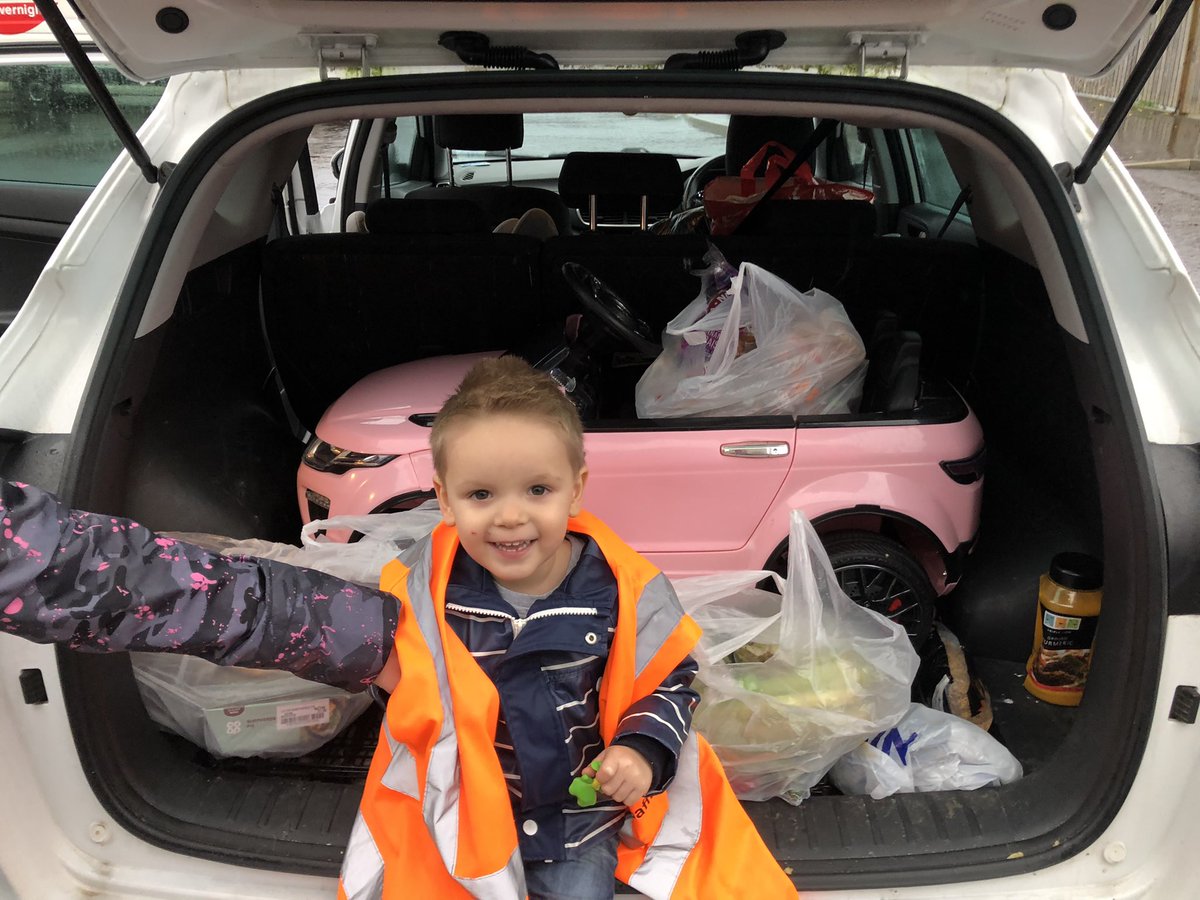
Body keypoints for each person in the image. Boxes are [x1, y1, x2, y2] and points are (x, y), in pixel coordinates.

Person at [0, 356, 795, 900]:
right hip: (471, 814)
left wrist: (642, 752)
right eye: (480, 495)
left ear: (576, 489)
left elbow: (669, 682)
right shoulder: (422, 595)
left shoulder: (624, 591)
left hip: (580, 822)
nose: (510, 517)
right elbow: (402, 687)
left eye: (538, 490)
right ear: (442, 500)